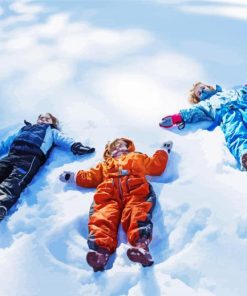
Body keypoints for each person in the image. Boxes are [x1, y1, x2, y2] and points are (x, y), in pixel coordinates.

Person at [59, 138, 173, 271]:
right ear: (109, 151)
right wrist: (73, 177)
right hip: (108, 194)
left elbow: (155, 166)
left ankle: (141, 247)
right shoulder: (105, 165)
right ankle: (100, 253)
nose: (118, 148)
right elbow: (91, 176)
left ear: (128, 147)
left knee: (137, 212)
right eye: (114, 147)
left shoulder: (136, 157)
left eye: (121, 145)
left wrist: (163, 150)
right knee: (102, 216)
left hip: (135, 190)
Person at [0, 113, 95, 221]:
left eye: (47, 118)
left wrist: (76, 146)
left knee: (14, 181)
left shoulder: (50, 131)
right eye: (41, 118)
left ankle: (2, 202)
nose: (43, 120)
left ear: (52, 122)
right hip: (12, 155)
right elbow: (6, 143)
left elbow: (63, 139)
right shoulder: (24, 129)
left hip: (30, 158)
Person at [159, 82, 247, 171]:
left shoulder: (227, 92)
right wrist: (177, 118)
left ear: (208, 86)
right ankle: (244, 153)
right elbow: (192, 112)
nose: (202, 91)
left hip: (244, 106)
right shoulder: (204, 104)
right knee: (235, 133)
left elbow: (243, 92)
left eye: (202, 88)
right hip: (229, 115)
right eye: (199, 93)